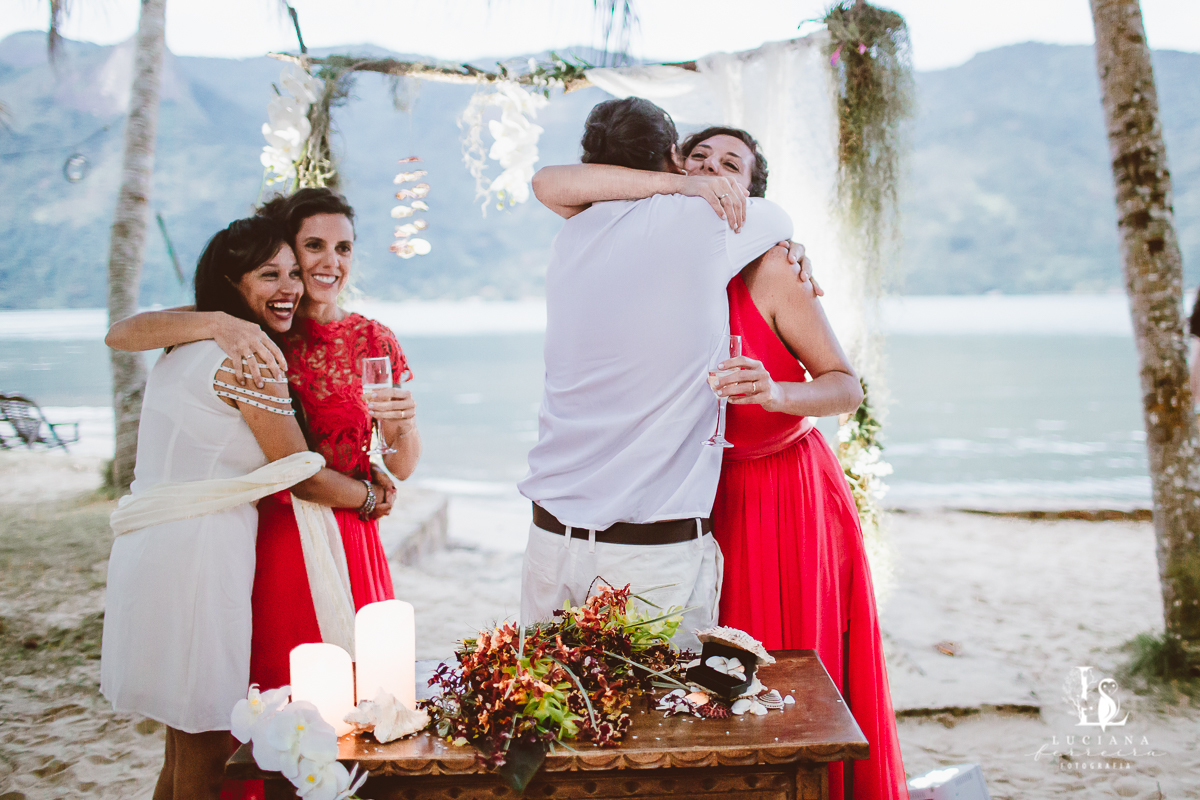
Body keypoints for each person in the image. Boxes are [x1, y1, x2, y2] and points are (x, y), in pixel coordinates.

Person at [532, 125, 908, 800]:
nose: (710, 170)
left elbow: (845, 387)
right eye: (697, 158)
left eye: (730, 164)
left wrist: (776, 391)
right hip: (691, 502)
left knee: (781, 671)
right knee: (699, 685)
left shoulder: (772, 268)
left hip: (778, 491)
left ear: (751, 191)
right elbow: (554, 185)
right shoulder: (651, 249)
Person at [100, 217, 393, 800]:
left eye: (292, 273)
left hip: (152, 552)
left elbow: (122, 331)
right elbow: (299, 472)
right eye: (268, 275)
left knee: (181, 745)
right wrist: (370, 496)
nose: (289, 288)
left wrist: (215, 319)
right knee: (208, 754)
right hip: (201, 562)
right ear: (232, 282)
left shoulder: (183, 342)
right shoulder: (248, 358)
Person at [517, 98, 794, 649]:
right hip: (649, 556)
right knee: (665, 707)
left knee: (546, 703)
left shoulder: (572, 234)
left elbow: (547, 182)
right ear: (673, 156)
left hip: (550, 540)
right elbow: (776, 219)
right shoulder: (710, 222)